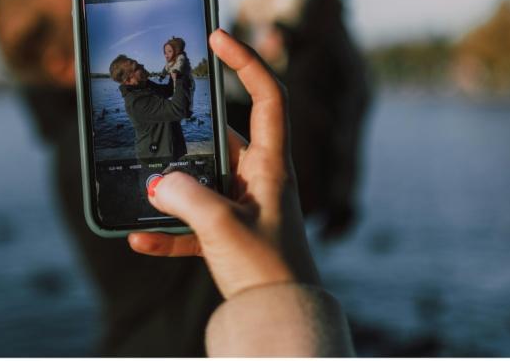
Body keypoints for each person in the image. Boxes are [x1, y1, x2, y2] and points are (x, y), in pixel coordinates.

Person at [0, 0, 222, 356]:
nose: (119, 7)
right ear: (60, 62)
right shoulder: (82, 150)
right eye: (91, 7)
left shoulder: (80, 134)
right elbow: (304, 174)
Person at [129, 29, 355, 356]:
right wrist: (285, 282)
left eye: (167, 50)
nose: (163, 55)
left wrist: (266, 290)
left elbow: (177, 102)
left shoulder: (182, 69)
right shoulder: (174, 70)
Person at [228, 0, 371, 241]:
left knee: (329, 150)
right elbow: (243, 21)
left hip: (330, 82)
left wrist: (279, 32)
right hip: (288, 74)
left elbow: (293, 12)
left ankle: (326, 204)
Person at [109, 54, 190, 161]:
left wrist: (173, 70)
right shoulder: (136, 102)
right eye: (136, 67)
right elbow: (179, 110)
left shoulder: (144, 85)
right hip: (156, 160)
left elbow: (168, 90)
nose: (142, 65)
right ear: (128, 80)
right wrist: (180, 76)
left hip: (170, 152)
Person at [162, 36, 195, 115]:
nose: (166, 55)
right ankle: (178, 107)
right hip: (176, 80)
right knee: (175, 92)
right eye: (165, 53)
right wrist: (162, 75)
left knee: (188, 96)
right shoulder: (170, 61)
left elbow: (180, 64)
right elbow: (166, 68)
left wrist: (176, 70)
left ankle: (188, 109)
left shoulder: (181, 57)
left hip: (187, 82)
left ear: (176, 50)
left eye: (169, 51)